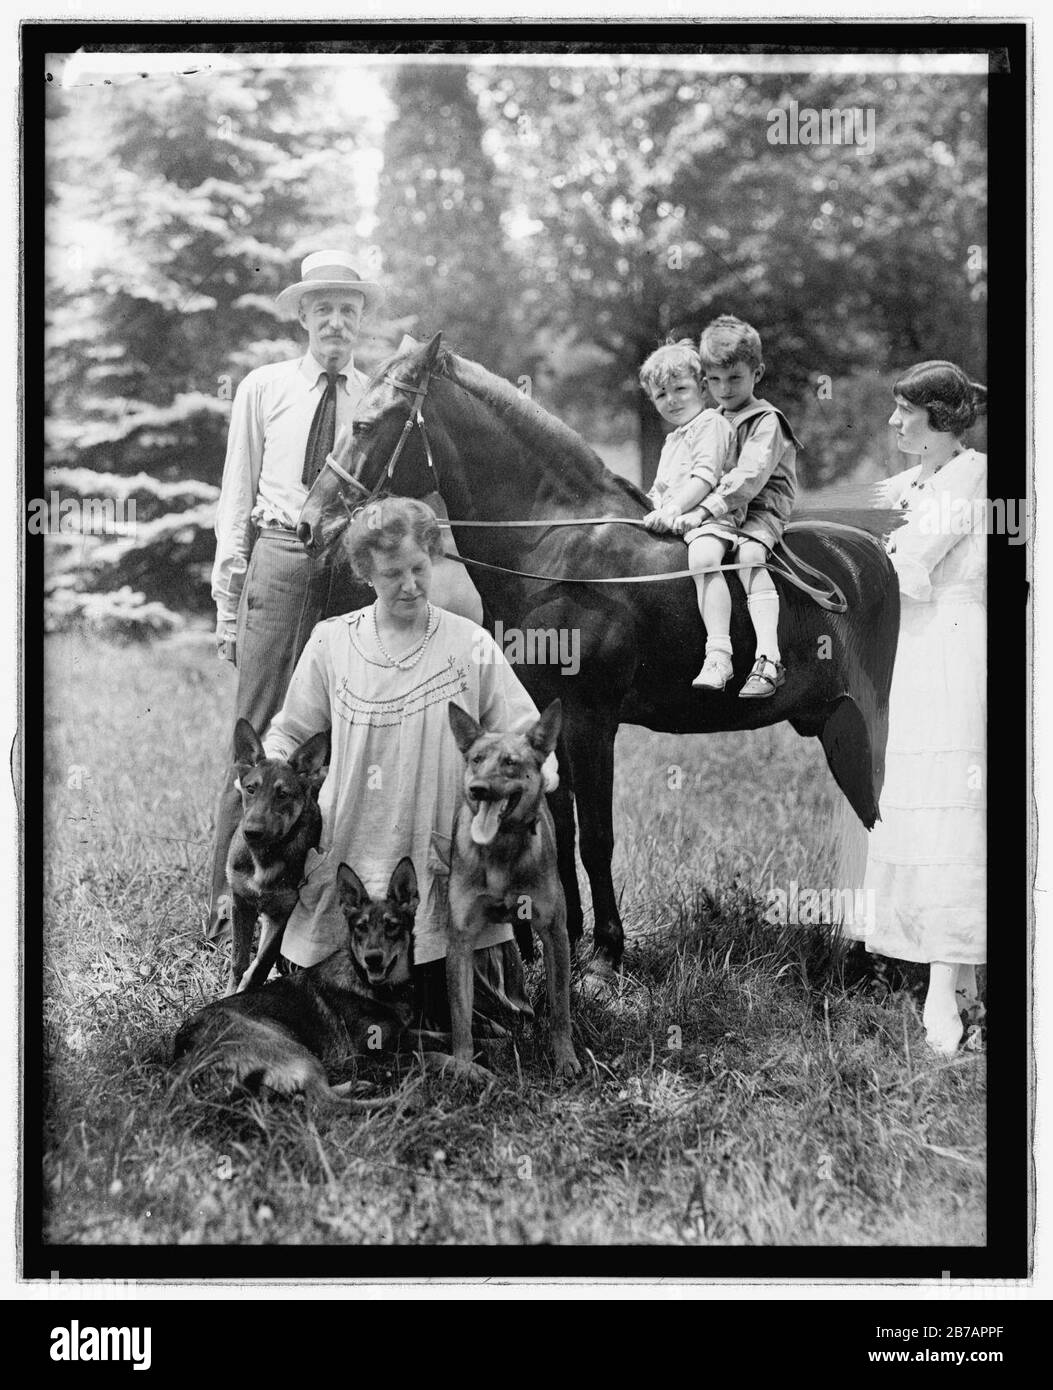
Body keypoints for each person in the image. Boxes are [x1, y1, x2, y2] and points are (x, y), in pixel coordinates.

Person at [262, 496, 557, 1036]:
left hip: (445, 850)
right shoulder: (331, 643)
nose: (411, 585)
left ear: (435, 557)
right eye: (391, 574)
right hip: (356, 840)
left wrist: (530, 790)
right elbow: (291, 732)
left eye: (420, 569)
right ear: (364, 573)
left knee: (468, 1012)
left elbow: (524, 730)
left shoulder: (470, 643)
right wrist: (270, 775)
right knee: (342, 1013)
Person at [205, 249, 384, 940]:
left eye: (348, 308)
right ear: (304, 318)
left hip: (344, 564)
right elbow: (236, 491)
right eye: (323, 309)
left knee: (330, 730)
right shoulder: (264, 386)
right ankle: (227, 900)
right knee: (253, 730)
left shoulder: (373, 396)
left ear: (360, 318)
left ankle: (311, 898)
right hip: (278, 555)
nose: (335, 320)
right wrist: (230, 601)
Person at [859, 361, 987, 1056]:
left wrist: (872, 549)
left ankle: (948, 989)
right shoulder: (906, 484)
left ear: (940, 416)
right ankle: (953, 979)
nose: (893, 423)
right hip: (906, 650)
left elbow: (911, 564)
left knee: (952, 807)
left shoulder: (971, 475)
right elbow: (858, 528)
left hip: (953, 649)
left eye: (905, 411)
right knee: (908, 800)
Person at [692, 314, 802, 697]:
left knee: (750, 554)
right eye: (715, 380)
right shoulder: (709, 421)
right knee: (698, 554)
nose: (724, 388)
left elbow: (749, 476)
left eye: (735, 378)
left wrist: (706, 508)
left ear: (757, 373)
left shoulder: (766, 420)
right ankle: (718, 654)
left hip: (760, 507)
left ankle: (768, 658)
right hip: (724, 509)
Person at [638, 340, 738, 689]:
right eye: (661, 395)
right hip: (680, 516)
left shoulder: (710, 424)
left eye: (681, 388)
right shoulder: (672, 439)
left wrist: (675, 508)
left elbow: (705, 477)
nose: (673, 400)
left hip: (713, 516)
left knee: (703, 558)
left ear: (704, 388)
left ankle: (719, 655)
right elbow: (659, 490)